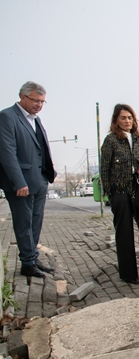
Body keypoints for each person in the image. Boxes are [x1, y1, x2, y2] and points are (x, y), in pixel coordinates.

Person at [100, 104, 139, 285]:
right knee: (124, 232)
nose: (127, 121)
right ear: (116, 120)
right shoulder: (111, 140)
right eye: (123, 118)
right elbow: (105, 169)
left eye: (130, 118)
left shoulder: (138, 141)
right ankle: (129, 274)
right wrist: (109, 194)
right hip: (119, 193)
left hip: (138, 190)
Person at [0, 81, 56, 278]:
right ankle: (27, 263)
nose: (39, 105)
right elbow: (7, 153)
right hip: (21, 184)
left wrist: (47, 175)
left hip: (39, 181)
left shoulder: (35, 119)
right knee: (23, 224)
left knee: (35, 222)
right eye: (35, 100)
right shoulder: (7, 117)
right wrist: (18, 182)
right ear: (22, 97)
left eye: (42, 101)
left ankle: (32, 257)